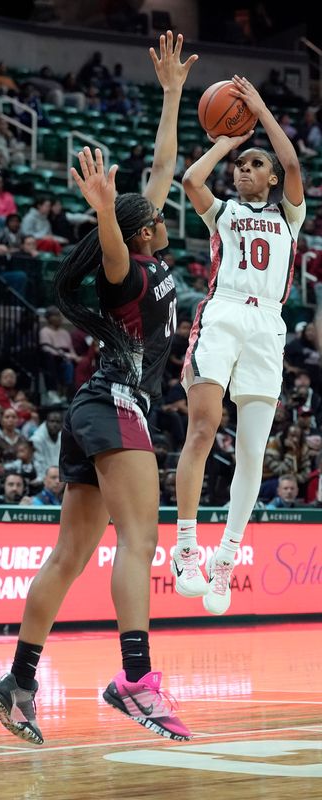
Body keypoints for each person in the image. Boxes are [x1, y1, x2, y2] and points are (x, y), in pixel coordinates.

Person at [0, 32, 197, 745]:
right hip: (116, 404)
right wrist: (106, 208)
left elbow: (163, 165)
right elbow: (115, 237)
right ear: (138, 237)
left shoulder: (149, 247)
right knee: (139, 537)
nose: (166, 220)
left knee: (69, 555)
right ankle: (134, 681)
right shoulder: (128, 272)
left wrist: (170, 94)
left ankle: (16, 683)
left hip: (95, 407)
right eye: (155, 220)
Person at [171, 74, 306, 615]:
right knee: (203, 427)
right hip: (223, 314)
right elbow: (190, 178)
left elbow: (294, 165)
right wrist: (227, 137)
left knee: (252, 451)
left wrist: (260, 112)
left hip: (267, 328)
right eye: (240, 166)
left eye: (254, 164)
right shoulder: (224, 212)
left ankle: (227, 556)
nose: (243, 170)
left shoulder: (288, 216)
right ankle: (185, 549)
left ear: (271, 178)